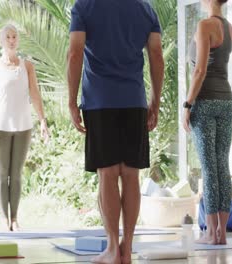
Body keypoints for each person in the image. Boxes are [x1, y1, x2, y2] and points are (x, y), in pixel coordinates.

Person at [67, 0, 164, 263]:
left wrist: (71, 101)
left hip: (100, 102)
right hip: (134, 101)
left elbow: (75, 53)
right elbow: (156, 53)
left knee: (108, 175)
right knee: (131, 175)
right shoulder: (145, 8)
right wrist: (155, 99)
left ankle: (112, 249)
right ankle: (127, 248)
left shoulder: (84, 7)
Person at [0, 24, 49, 232]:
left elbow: (35, 94)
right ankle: (4, 219)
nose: (11, 40)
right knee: (2, 174)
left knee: (17, 174)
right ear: (1, 41)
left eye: (14, 37)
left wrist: (43, 120)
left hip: (23, 126)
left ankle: (14, 219)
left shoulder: (27, 66)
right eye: (8, 37)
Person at [183, 0, 232, 245]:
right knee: (222, 166)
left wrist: (188, 104)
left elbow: (200, 71)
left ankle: (210, 233)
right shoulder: (230, 28)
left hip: (204, 102)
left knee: (209, 168)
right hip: (226, 102)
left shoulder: (205, 26)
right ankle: (221, 233)